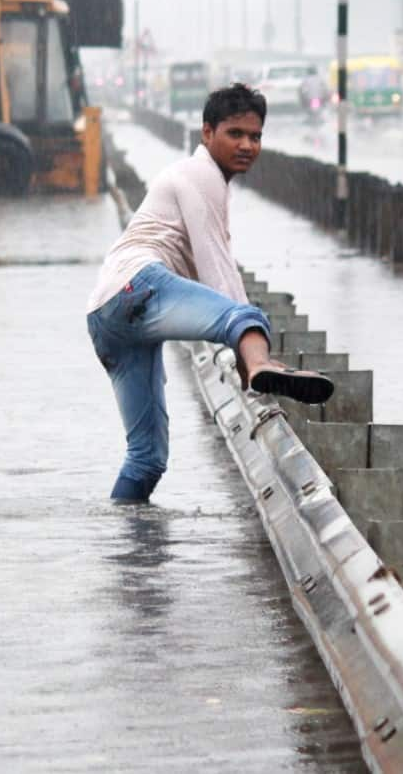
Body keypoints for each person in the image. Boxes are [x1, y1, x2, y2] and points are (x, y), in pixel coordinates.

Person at [87, 84, 334, 503]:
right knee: (245, 317)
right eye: (234, 134)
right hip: (139, 284)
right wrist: (249, 339)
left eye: (255, 137)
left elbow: (210, 268)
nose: (246, 145)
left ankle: (126, 547)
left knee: (146, 458)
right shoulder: (201, 175)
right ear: (206, 133)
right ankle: (261, 369)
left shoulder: (191, 177)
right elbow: (217, 268)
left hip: (105, 315)